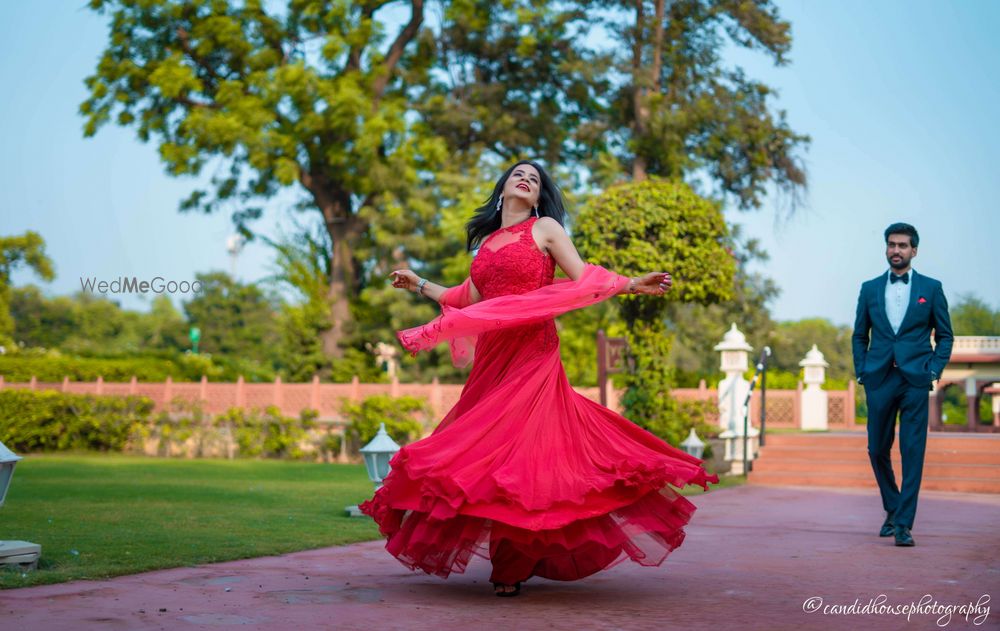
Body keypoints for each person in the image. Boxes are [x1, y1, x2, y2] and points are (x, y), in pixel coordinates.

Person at [360, 160, 719, 597]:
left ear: (538, 194)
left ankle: (510, 563)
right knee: (485, 450)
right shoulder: (487, 244)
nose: (527, 179)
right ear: (503, 188)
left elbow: (583, 277)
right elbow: (465, 299)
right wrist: (419, 284)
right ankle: (511, 554)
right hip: (493, 357)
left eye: (535, 178)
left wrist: (628, 283)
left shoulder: (545, 228)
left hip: (533, 348)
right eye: (518, 174)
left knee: (525, 448)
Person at [851, 222, 953, 547]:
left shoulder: (931, 288)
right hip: (879, 378)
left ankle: (903, 524)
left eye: (903, 245)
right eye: (892, 245)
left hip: (915, 379)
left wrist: (933, 370)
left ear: (914, 251)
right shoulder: (869, 289)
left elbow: (946, 336)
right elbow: (859, 335)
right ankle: (893, 507)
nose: (896, 250)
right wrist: (862, 370)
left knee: (912, 451)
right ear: (886, 248)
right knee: (876, 448)